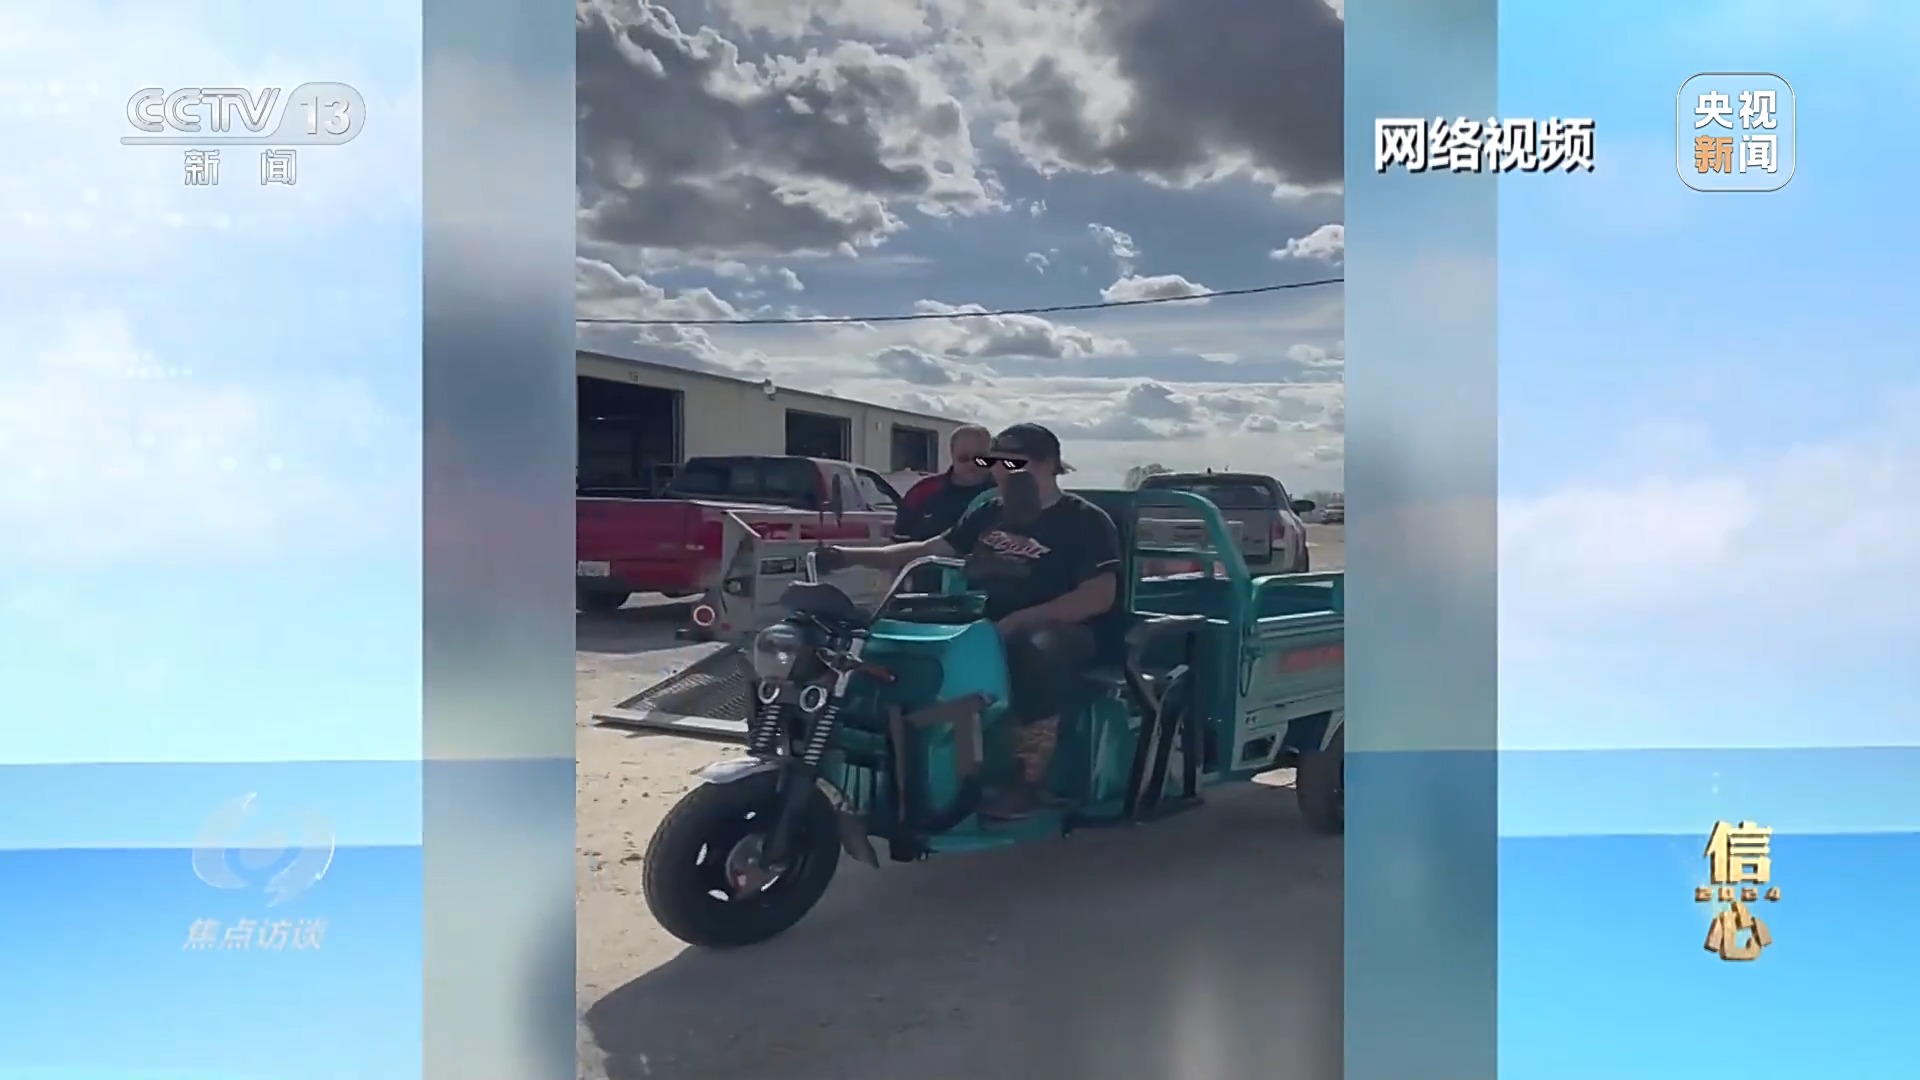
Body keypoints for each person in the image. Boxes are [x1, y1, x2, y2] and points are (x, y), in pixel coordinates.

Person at [817, 423, 1123, 819]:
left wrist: (1019, 621)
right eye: (997, 463)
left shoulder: (1085, 520)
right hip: (989, 619)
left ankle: (1027, 781)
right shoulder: (989, 511)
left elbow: (1098, 595)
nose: (1004, 473)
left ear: (1050, 464)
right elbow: (928, 550)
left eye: (1016, 463)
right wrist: (848, 556)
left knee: (1038, 647)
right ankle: (917, 760)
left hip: (1069, 630)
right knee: (891, 637)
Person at [890, 425, 994, 592]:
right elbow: (898, 548)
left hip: (987, 597)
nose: (972, 464)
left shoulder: (1004, 494)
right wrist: (897, 593)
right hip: (928, 595)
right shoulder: (922, 492)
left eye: (980, 458)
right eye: (963, 458)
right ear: (952, 455)